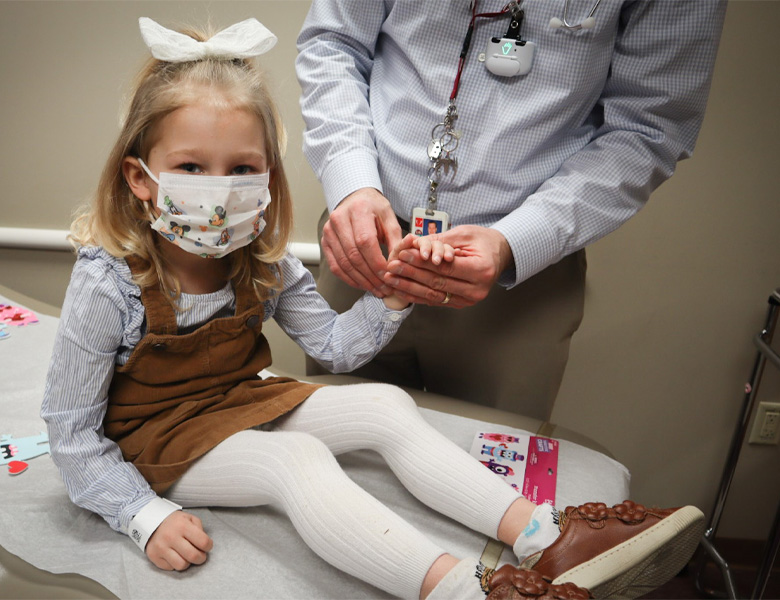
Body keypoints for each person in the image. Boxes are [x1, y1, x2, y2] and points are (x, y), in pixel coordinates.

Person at [42, 17, 705, 600]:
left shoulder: (264, 265)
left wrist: (393, 294)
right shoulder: (109, 285)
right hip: (155, 442)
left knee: (385, 404)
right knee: (295, 463)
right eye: (192, 166)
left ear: (270, 177)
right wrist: (141, 515)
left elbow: (334, 349)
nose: (222, 190)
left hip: (235, 404)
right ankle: (469, 594)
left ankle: (548, 538)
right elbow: (71, 435)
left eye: (244, 169)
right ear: (139, 177)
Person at [296, 0, 728, 420]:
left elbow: (647, 128)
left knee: (489, 473)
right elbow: (333, 43)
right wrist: (351, 184)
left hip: (518, 284)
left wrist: (515, 243)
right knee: (334, 446)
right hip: (365, 247)